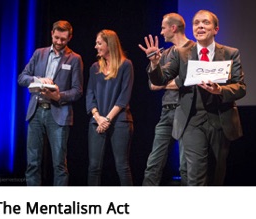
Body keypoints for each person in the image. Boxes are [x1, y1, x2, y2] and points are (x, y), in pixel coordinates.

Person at [143, 10, 246, 185]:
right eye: (196, 23)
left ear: (216, 29)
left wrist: (220, 90)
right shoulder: (182, 54)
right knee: (195, 175)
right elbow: (160, 79)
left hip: (220, 121)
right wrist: (154, 63)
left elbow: (240, 87)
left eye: (205, 23)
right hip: (191, 121)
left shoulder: (230, 53)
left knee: (215, 176)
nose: (200, 26)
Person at [18, 20, 84, 186]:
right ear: (52, 34)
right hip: (36, 111)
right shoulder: (39, 53)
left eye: (63, 39)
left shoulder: (74, 59)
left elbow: (77, 90)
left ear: (69, 38)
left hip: (59, 114)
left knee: (59, 165)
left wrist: (58, 96)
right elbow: (22, 78)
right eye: (56, 38)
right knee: (32, 163)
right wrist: (38, 79)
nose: (59, 42)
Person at [138, 13, 194, 186]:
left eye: (163, 28)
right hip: (166, 112)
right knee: (153, 165)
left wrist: (176, 81)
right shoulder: (163, 54)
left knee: (186, 167)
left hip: (186, 111)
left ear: (173, 28)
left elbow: (191, 81)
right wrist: (157, 66)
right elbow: (153, 85)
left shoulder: (195, 50)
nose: (161, 32)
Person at [86, 29, 134, 186]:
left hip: (119, 121)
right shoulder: (94, 68)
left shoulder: (126, 65)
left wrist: (107, 119)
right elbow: (90, 94)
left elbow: (124, 96)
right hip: (97, 121)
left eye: (99, 43)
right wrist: (98, 117)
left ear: (110, 44)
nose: (95, 46)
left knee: (122, 166)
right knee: (93, 167)